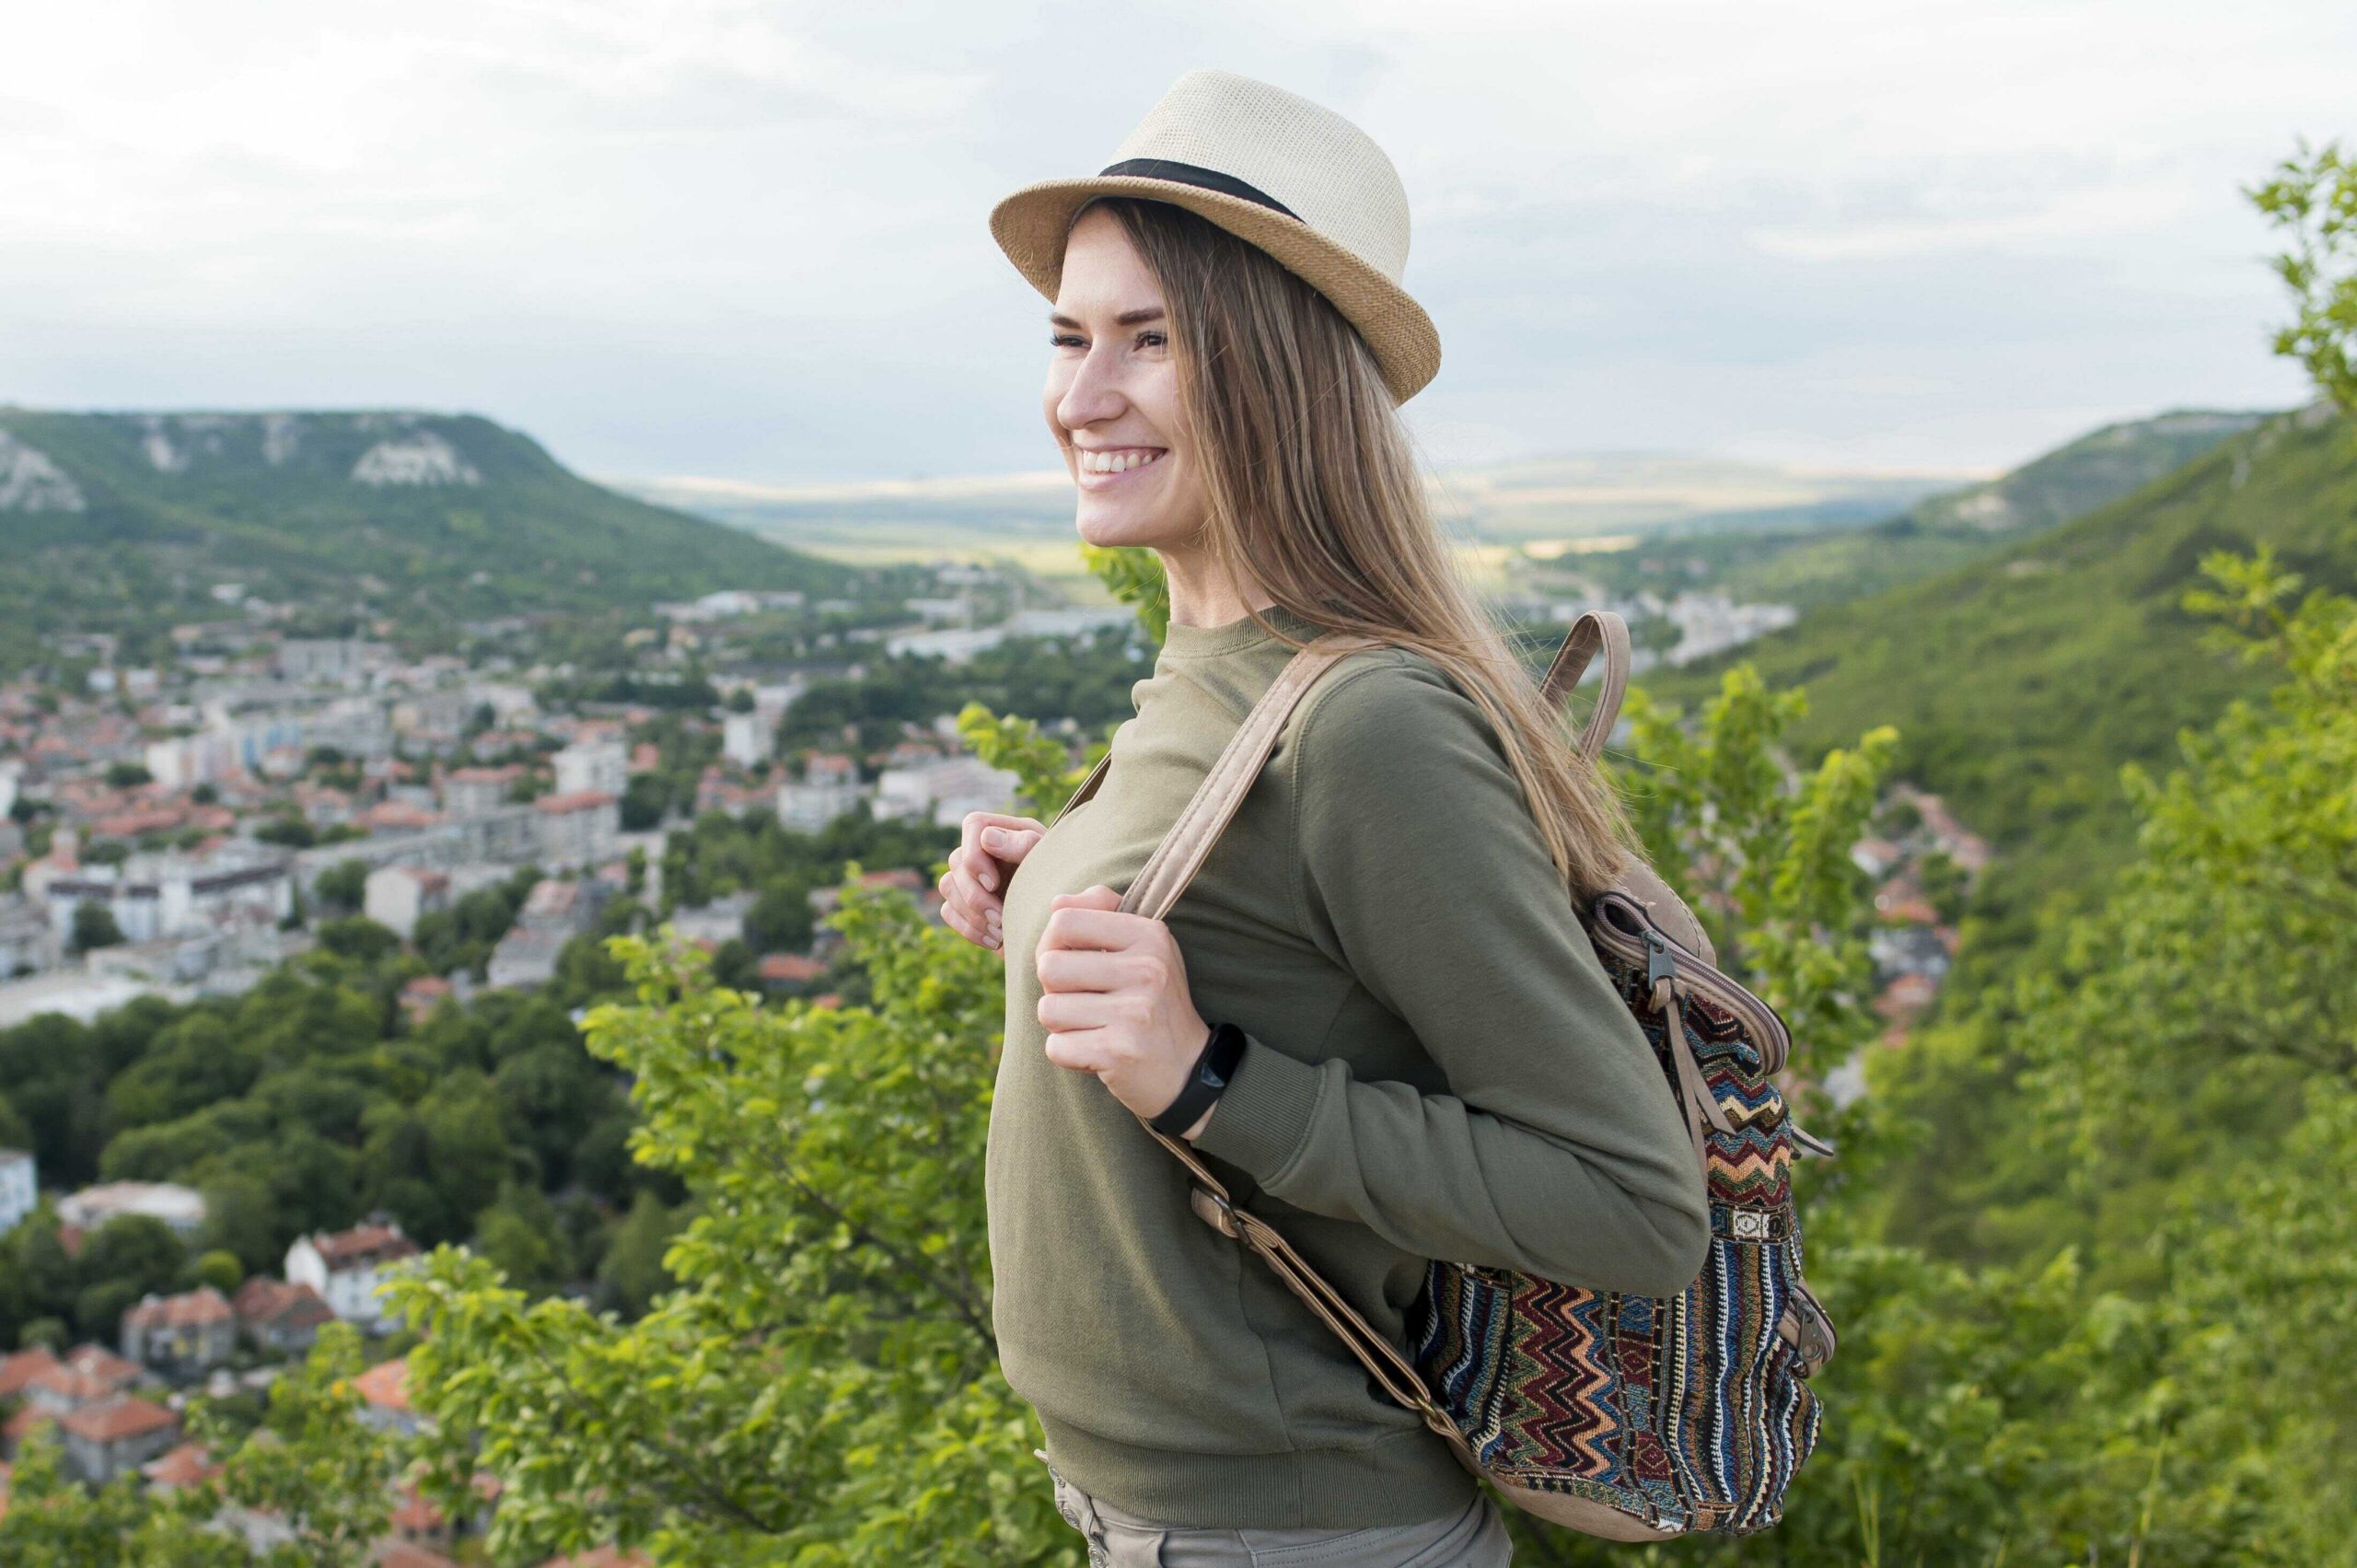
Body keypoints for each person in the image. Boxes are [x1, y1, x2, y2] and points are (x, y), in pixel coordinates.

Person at [942, 69, 1712, 1566]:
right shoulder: (1217, 665)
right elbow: (1294, 943)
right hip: (1163, 1520)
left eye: (1148, 343)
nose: (1079, 398)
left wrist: (1210, 1073)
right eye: (1068, 335)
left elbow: (1631, 1205)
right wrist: (1055, 892)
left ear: (1276, 370)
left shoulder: (1372, 723)